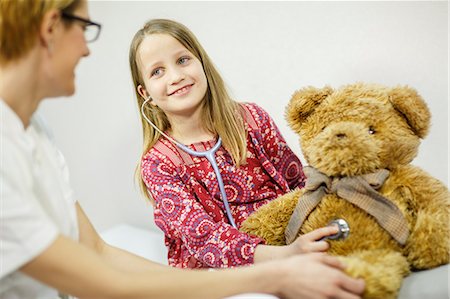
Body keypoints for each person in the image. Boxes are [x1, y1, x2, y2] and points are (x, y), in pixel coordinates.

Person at [0, 1, 365, 298]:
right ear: (50, 28)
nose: (85, 48)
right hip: (238, 266)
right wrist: (275, 271)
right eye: (84, 28)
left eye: (183, 61)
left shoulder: (37, 132)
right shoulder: (160, 162)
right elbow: (110, 280)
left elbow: (96, 250)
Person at [130, 18, 342, 269]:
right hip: (219, 274)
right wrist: (287, 255)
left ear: (202, 64)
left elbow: (298, 184)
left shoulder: (252, 119)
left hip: (289, 243)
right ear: (147, 95)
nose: (176, 76)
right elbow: (204, 240)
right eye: (157, 71)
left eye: (182, 60)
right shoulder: (158, 163)